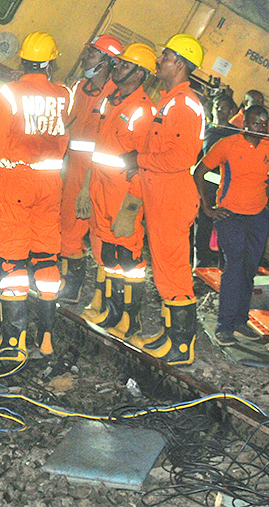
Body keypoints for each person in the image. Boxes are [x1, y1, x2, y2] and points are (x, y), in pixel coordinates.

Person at [0, 32, 72, 361]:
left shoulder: (9, 94)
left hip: (16, 181)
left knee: (13, 261)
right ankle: (46, 338)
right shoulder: (63, 95)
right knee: (46, 258)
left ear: (24, 60)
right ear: (50, 63)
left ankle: (13, 345)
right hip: (50, 183)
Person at [127, 33, 207, 365]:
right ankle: (168, 334)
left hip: (172, 195)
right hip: (161, 194)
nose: (159, 61)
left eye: (165, 55)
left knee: (174, 271)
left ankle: (181, 346)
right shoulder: (170, 100)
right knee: (164, 270)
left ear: (180, 62)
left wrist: (139, 160)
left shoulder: (184, 104)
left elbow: (181, 157)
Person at [80, 43, 157, 339]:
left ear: (140, 73)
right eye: (120, 63)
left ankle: (131, 320)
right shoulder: (112, 101)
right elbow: (100, 148)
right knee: (109, 256)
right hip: (101, 189)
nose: (118, 68)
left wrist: (131, 208)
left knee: (130, 261)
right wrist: (86, 186)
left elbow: (143, 163)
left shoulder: (144, 110)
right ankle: (111, 312)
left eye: (125, 66)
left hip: (124, 194)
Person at [195, 105, 269, 346]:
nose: (261, 127)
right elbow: (199, 172)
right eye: (256, 123)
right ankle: (225, 326)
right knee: (234, 267)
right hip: (230, 215)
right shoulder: (228, 144)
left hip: (258, 216)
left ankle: (241, 321)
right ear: (245, 124)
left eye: (264, 123)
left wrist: (266, 197)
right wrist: (208, 208)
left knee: (249, 269)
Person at [57, 33, 123, 305]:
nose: (85, 58)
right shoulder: (79, 87)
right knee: (69, 229)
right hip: (73, 169)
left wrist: (87, 184)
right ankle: (69, 288)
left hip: (98, 177)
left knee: (99, 236)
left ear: (107, 62)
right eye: (88, 53)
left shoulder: (114, 97)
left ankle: (104, 299)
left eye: (93, 55)